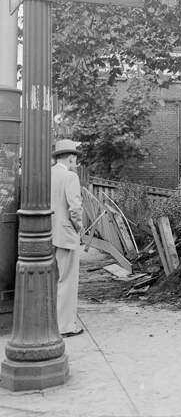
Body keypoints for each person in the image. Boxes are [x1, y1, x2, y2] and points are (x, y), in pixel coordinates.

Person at [51, 139, 84, 337]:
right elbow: (75, 209)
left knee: (54, 280)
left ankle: (53, 322)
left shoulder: (48, 174)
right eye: (75, 159)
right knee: (67, 281)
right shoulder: (70, 177)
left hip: (49, 233)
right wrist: (78, 228)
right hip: (66, 235)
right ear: (71, 158)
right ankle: (66, 326)